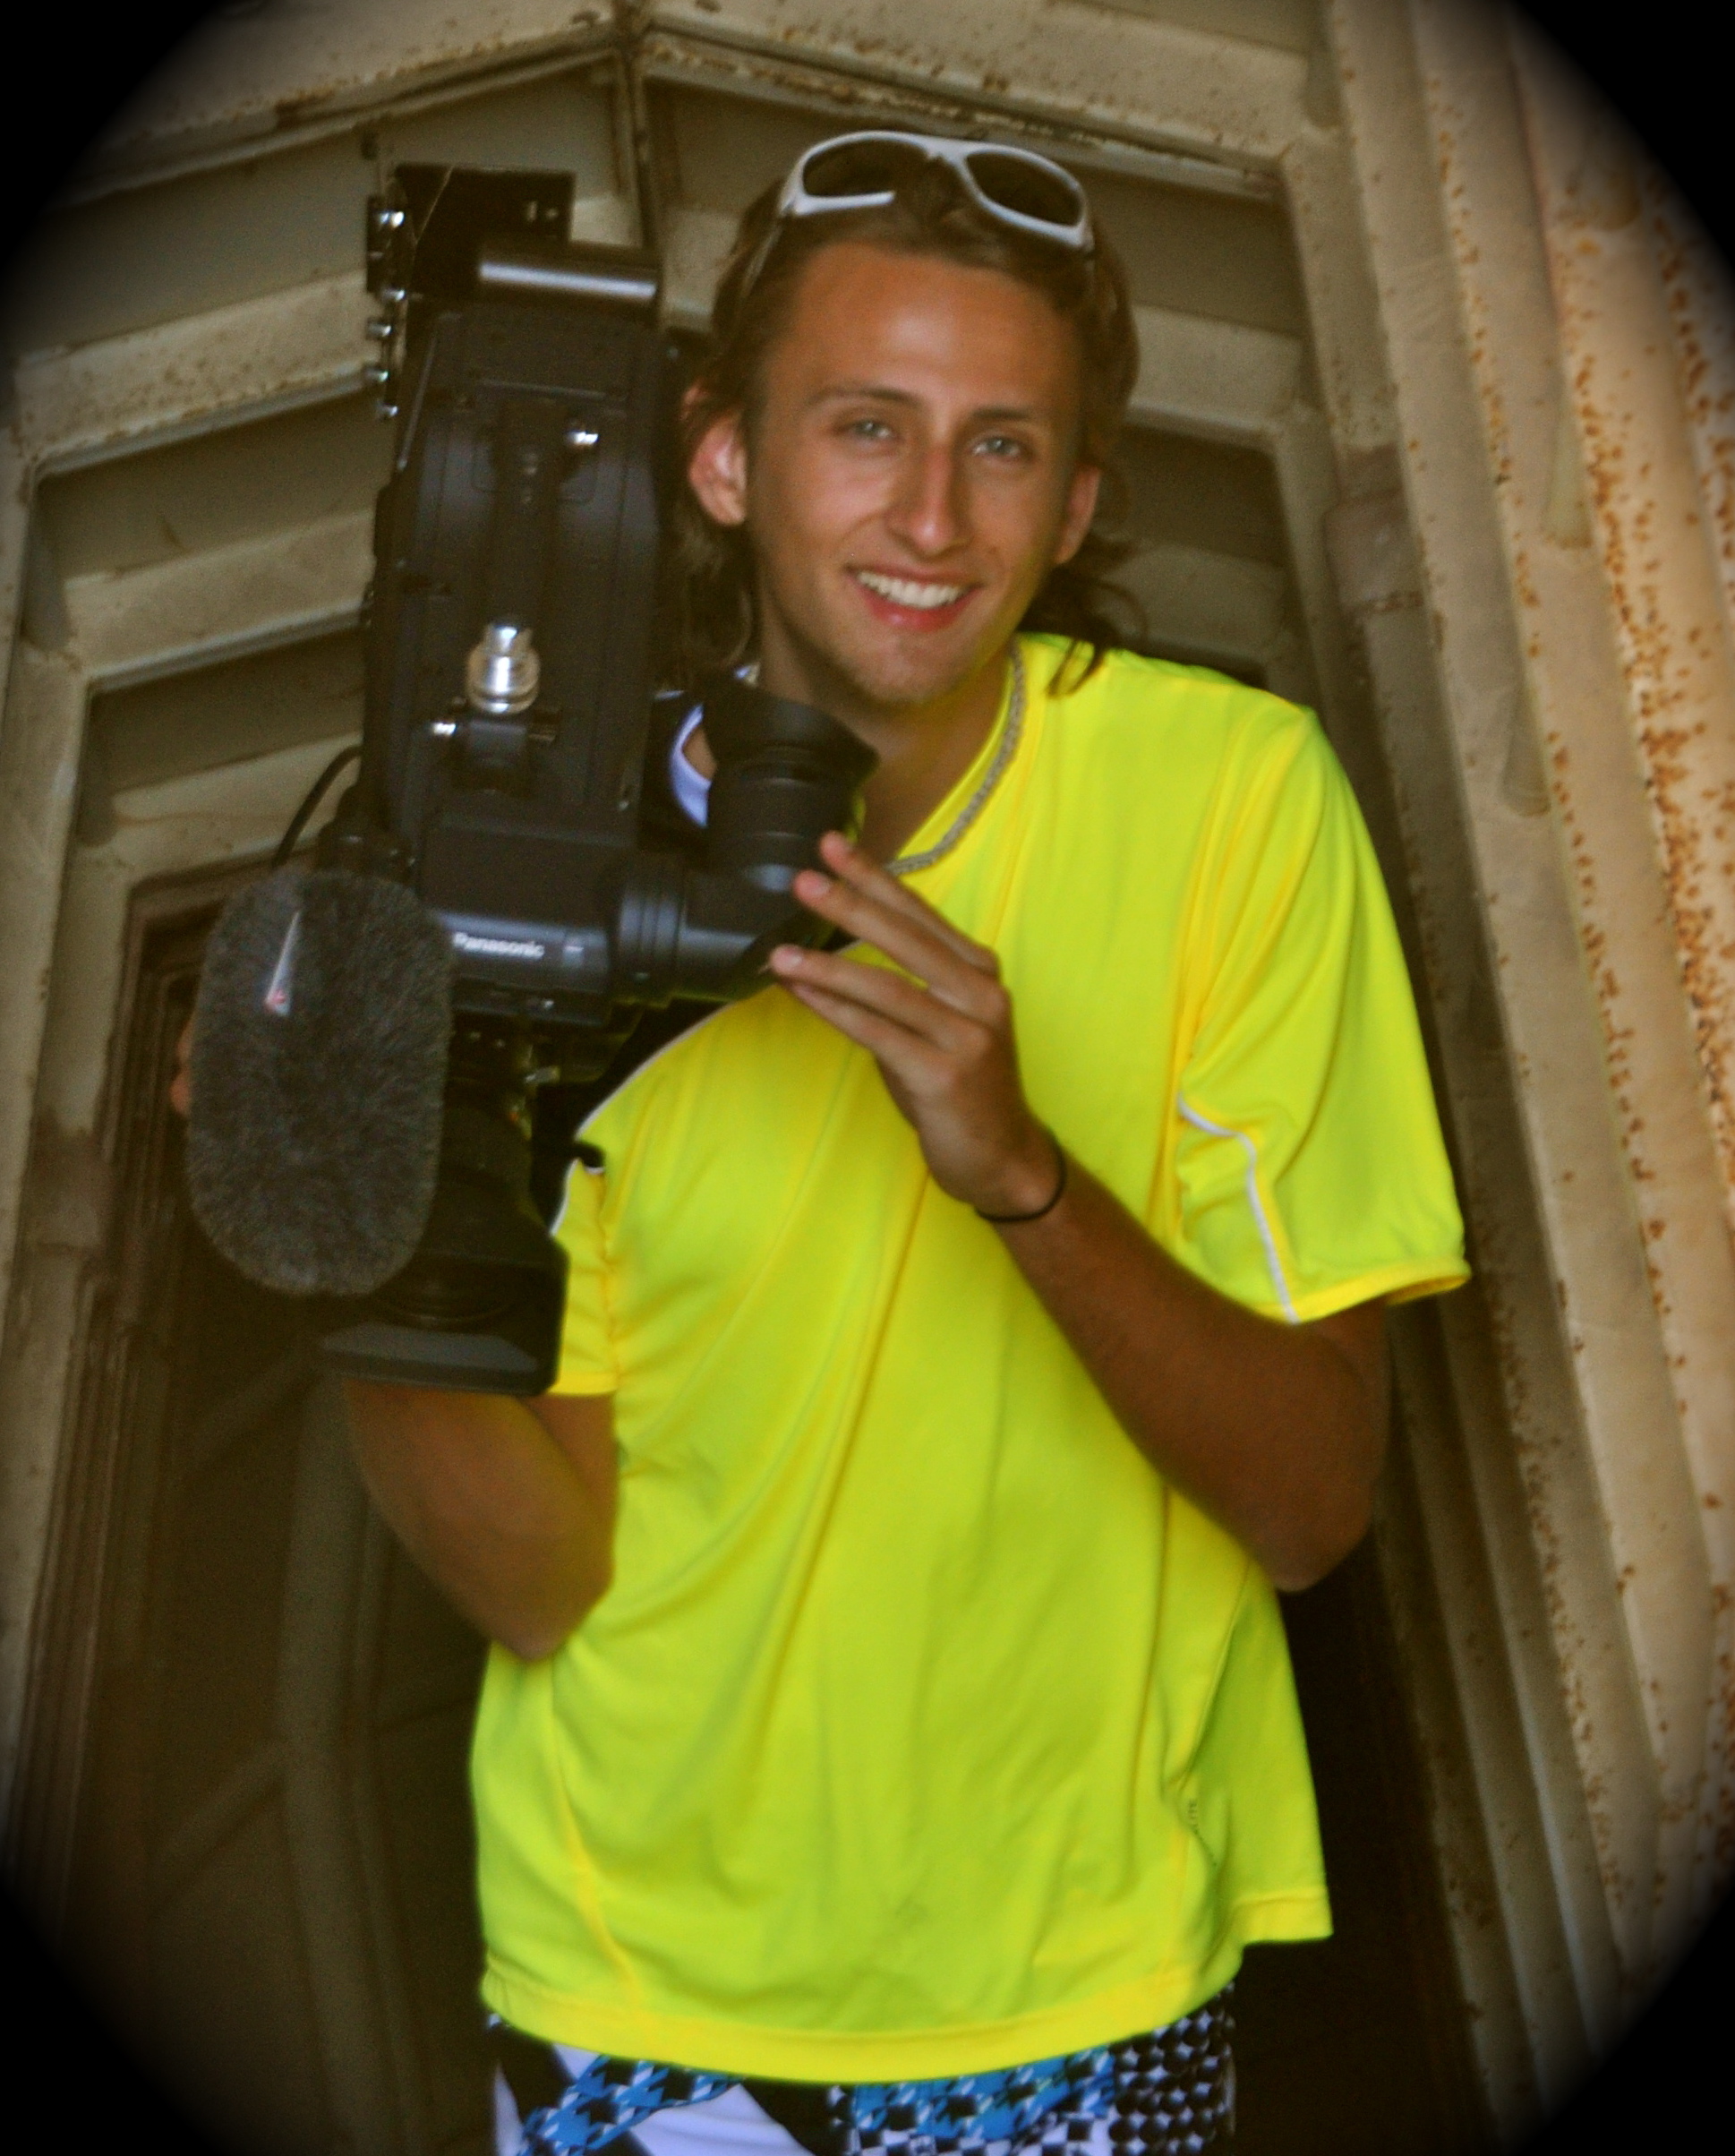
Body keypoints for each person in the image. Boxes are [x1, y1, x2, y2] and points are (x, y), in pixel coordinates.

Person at [264, 133, 1470, 2156]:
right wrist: (343, 1231)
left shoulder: (1234, 805)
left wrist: (1017, 1167)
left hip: (1083, 1993)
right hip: (636, 2005)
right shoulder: (530, 869)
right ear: (724, 462)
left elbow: (1309, 1503)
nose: (929, 513)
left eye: (1003, 448)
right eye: (865, 427)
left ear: (1079, 498)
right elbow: (547, 1581)